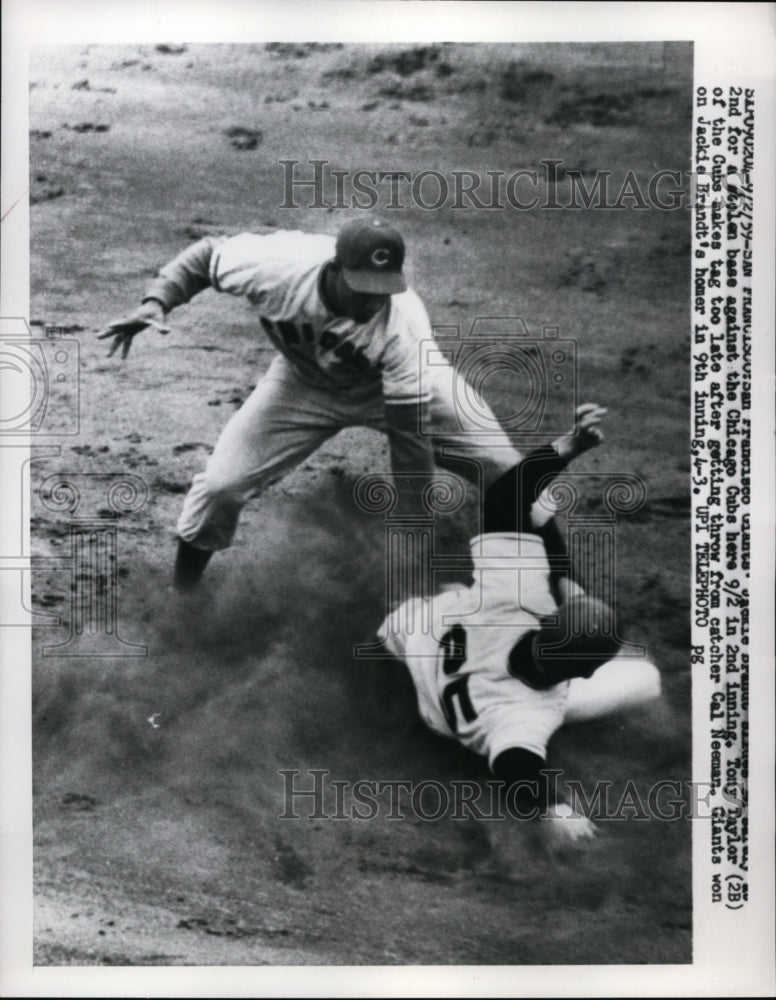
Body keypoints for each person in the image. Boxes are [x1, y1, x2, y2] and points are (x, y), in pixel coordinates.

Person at [99, 217, 524, 591]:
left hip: (391, 391)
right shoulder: (278, 266)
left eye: (383, 291)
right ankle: (184, 596)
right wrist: (156, 301)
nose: (373, 302)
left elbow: (408, 441)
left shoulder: (402, 325)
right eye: (363, 290)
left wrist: (414, 536)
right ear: (336, 269)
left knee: (510, 473)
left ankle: (560, 589)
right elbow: (205, 257)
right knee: (219, 488)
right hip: (301, 384)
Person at [377, 404, 661, 845]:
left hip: (407, 632)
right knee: (648, 679)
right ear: (586, 673)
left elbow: (507, 494)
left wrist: (569, 446)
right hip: (448, 716)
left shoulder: (518, 596)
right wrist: (555, 808)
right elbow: (517, 765)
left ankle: (461, 594)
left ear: (547, 619)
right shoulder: (527, 714)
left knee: (525, 522)